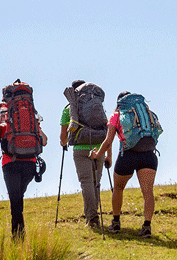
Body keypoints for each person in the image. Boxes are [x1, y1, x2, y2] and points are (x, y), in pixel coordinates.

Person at [90, 91, 158, 237]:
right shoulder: (146, 112)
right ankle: (147, 226)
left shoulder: (117, 115)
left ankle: (116, 223)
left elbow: (108, 141)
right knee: (147, 192)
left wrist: (97, 154)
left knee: (119, 188)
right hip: (148, 154)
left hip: (127, 154)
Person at [0, 101, 48, 237]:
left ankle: (18, 236)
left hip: (10, 163)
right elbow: (44, 140)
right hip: (30, 163)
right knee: (18, 197)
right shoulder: (31, 117)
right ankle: (19, 233)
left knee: (15, 199)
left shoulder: (0, 117)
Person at [60, 80, 108, 228]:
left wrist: (63, 143)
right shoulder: (97, 106)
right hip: (99, 147)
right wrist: (107, 153)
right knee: (96, 183)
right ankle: (94, 215)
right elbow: (107, 129)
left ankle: (92, 219)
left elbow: (63, 137)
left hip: (80, 149)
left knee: (86, 183)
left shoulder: (68, 109)